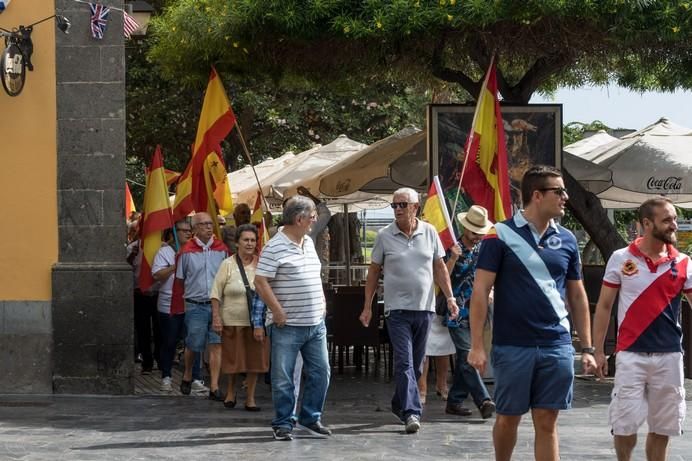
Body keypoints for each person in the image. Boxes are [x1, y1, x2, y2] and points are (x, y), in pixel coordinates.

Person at [468, 165, 597, 461]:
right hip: (513, 346)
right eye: (559, 191)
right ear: (537, 196)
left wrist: (587, 347)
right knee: (508, 417)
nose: (566, 197)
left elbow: (577, 296)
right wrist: (476, 344)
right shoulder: (497, 235)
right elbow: (479, 292)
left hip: (557, 345)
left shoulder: (566, 240)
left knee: (547, 420)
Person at [592, 197, 692, 461]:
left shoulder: (683, 262)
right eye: (667, 220)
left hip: (670, 356)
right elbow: (603, 306)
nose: (674, 226)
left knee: (663, 428)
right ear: (647, 224)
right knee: (624, 426)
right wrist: (598, 351)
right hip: (630, 355)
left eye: (674, 219)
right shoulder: (620, 258)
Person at [359, 187, 459, 434]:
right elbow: (373, 272)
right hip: (397, 310)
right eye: (394, 205)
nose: (398, 210)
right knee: (404, 363)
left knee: (416, 365)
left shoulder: (430, 232)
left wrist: (450, 297)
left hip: (424, 308)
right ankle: (412, 413)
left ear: (416, 207)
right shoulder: (384, 235)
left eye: (403, 205)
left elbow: (439, 268)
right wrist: (367, 306)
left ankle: (398, 403)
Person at [254, 195, 331, 441]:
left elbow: (314, 276)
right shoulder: (274, 246)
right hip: (287, 325)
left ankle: (310, 417)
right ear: (299, 219)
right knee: (283, 378)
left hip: (315, 323)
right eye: (312, 217)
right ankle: (283, 422)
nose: (314, 221)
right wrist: (276, 310)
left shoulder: (307, 241)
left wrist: (322, 303)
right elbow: (260, 281)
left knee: (322, 373)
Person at [211, 224, 270, 411]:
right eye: (246, 240)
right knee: (233, 361)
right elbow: (215, 293)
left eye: (253, 240)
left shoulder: (262, 264)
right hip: (232, 322)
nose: (250, 243)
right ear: (237, 243)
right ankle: (231, 391)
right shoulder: (227, 264)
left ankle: (250, 398)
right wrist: (216, 318)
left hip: (256, 324)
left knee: (254, 361)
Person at [444, 205, 495, 419]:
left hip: (479, 311)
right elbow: (440, 277)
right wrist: (453, 258)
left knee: (468, 358)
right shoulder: (451, 249)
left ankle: (455, 400)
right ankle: (483, 400)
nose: (477, 237)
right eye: (474, 232)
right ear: (465, 228)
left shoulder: (483, 249)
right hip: (456, 311)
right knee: (467, 356)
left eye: (480, 233)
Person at [175, 212, 229, 400]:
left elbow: (226, 276)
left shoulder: (222, 249)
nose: (208, 227)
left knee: (216, 344)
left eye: (210, 223)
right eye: (204, 224)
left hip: (217, 305)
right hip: (195, 304)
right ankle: (188, 372)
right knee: (193, 343)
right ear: (195, 228)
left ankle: (214, 386)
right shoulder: (186, 251)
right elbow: (180, 279)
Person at [152, 219, 194, 392]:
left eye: (188, 230)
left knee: (192, 342)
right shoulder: (165, 252)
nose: (187, 233)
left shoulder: (193, 251)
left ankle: (194, 377)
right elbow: (157, 275)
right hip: (168, 304)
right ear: (174, 233)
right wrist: (174, 266)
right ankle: (166, 376)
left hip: (190, 303)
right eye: (183, 230)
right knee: (169, 341)